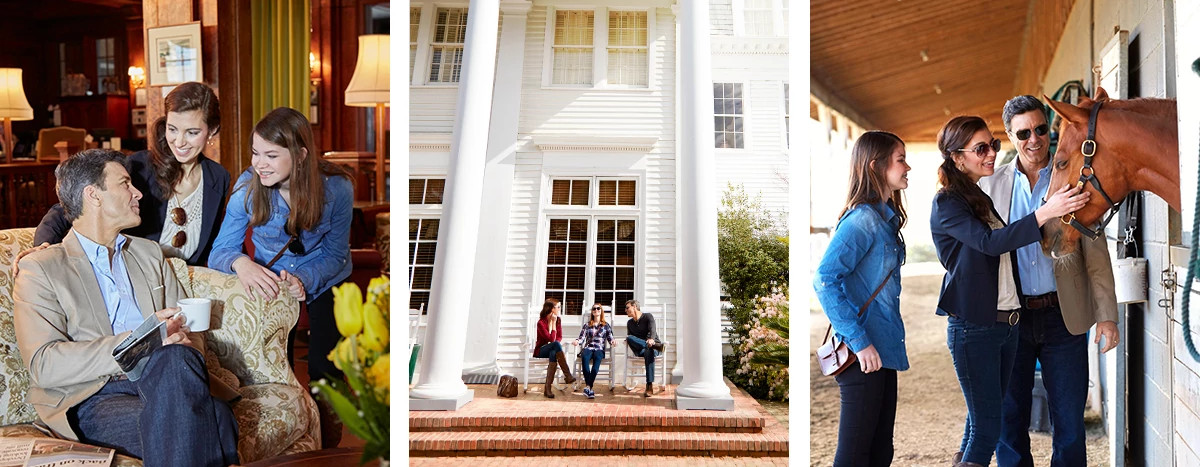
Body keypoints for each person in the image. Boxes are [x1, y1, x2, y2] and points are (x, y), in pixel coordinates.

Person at [12, 149, 239, 466]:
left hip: (167, 378)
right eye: (125, 184)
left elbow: (187, 329)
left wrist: (184, 341)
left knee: (178, 363)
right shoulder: (43, 267)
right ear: (94, 196)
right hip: (95, 396)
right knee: (215, 417)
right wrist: (139, 343)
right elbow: (44, 364)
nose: (138, 193)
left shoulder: (149, 254)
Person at [931, 115, 1089, 467]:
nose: (991, 154)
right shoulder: (948, 203)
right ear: (957, 157)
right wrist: (1043, 213)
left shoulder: (975, 196)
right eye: (981, 148)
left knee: (981, 424)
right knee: (990, 427)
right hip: (975, 325)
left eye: (993, 145)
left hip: (1007, 324)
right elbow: (989, 243)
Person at [982, 96, 1120, 467]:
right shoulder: (991, 187)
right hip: (1011, 320)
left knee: (1070, 421)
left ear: (1049, 128)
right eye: (1023, 132)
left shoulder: (1073, 175)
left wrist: (1107, 314)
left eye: (1041, 129)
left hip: (1064, 317)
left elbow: (1095, 248)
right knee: (1009, 420)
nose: (1034, 139)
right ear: (1010, 137)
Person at [207, 107, 352, 445]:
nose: (260, 163)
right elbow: (220, 250)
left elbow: (336, 255)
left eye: (271, 155)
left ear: (300, 155)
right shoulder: (247, 188)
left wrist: (302, 279)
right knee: (277, 365)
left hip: (325, 277)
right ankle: (291, 433)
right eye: (256, 153)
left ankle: (327, 445)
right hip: (271, 280)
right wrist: (241, 264)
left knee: (323, 366)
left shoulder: (338, 189)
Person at [32, 82, 230, 267]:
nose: (179, 142)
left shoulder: (218, 177)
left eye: (192, 133)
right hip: (136, 279)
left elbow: (213, 244)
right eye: (172, 129)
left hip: (188, 286)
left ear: (212, 130)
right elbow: (70, 206)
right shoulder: (140, 165)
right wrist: (43, 246)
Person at [813, 130, 910, 467]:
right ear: (876, 166)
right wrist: (859, 341)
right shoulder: (862, 221)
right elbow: (825, 280)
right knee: (855, 456)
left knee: (880, 452)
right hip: (862, 356)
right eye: (900, 160)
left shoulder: (884, 220)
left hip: (884, 351)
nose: (907, 167)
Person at [533, 298, 577, 398]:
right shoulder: (541, 323)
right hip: (541, 350)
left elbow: (559, 336)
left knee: (554, 352)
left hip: (552, 349)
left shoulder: (558, 320)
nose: (559, 309)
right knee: (556, 345)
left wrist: (555, 323)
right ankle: (568, 375)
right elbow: (552, 339)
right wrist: (552, 323)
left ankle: (547, 389)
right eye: (558, 307)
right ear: (551, 309)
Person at [573, 302, 615, 399]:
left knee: (596, 363)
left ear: (601, 311)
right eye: (594, 309)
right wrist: (577, 341)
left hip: (599, 348)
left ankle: (588, 386)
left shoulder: (606, 326)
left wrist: (613, 341)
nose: (596, 310)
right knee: (584, 358)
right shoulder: (587, 325)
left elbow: (610, 337)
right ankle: (589, 388)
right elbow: (581, 338)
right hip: (589, 347)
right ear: (592, 312)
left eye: (598, 309)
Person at [625, 299, 664, 397]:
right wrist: (646, 343)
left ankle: (649, 385)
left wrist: (651, 339)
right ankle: (653, 346)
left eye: (627, 307)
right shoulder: (630, 323)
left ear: (634, 307)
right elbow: (631, 340)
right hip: (641, 350)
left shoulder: (647, 316)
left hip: (653, 348)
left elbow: (653, 329)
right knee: (629, 338)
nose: (625, 310)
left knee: (649, 350)